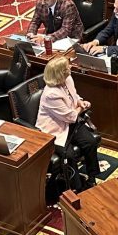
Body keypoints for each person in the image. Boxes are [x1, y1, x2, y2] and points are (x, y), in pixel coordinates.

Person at [37, 54, 101, 187]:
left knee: (90, 142)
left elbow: (74, 96)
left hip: (71, 124)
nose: (70, 68)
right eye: (67, 68)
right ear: (60, 73)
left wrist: (80, 102)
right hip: (55, 130)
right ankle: (75, 187)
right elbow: (71, 117)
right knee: (69, 155)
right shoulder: (51, 94)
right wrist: (80, 110)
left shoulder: (68, 79)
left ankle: (92, 176)